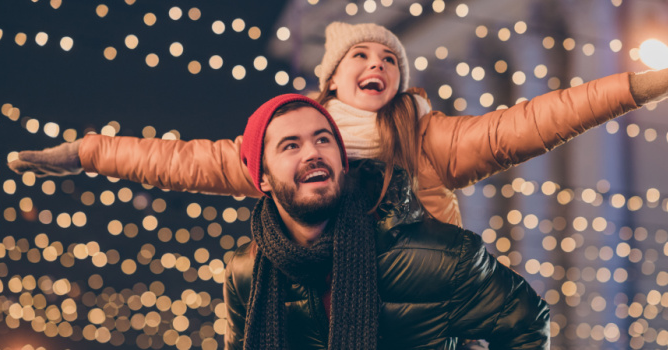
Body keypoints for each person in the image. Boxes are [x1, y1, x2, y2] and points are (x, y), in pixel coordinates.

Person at [8, 22, 668, 228]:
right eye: (361, 55)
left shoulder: (428, 139)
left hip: (417, 313)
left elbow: (534, 122)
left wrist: (639, 87)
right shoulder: (284, 145)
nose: (378, 64)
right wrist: (84, 153)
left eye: (389, 59)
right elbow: (177, 161)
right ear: (332, 76)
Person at [223, 93, 549, 349]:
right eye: (291, 145)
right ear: (262, 178)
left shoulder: (441, 253)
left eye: (323, 139)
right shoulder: (245, 272)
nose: (312, 152)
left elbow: (527, 322)